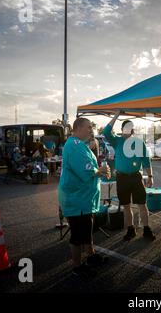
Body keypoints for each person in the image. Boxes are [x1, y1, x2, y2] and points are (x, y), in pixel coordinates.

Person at [58, 118, 111, 278]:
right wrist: (100, 170)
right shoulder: (74, 145)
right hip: (77, 200)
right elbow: (86, 169)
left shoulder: (79, 145)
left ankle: (91, 256)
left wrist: (101, 170)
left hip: (83, 199)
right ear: (78, 128)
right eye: (88, 127)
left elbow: (90, 166)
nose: (91, 130)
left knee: (86, 232)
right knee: (78, 236)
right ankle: (77, 266)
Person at [103, 110, 156, 241]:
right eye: (125, 128)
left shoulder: (139, 143)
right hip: (122, 178)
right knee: (126, 206)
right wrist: (116, 115)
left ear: (132, 130)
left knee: (142, 204)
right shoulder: (117, 141)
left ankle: (147, 229)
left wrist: (150, 177)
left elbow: (146, 161)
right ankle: (130, 229)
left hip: (135, 177)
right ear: (121, 130)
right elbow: (105, 132)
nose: (127, 130)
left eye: (130, 128)